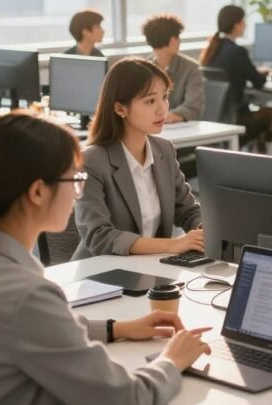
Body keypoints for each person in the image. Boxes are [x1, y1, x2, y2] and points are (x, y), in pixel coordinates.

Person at [0, 113, 210, 405]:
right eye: (74, 179)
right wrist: (171, 360)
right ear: (38, 191)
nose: (77, 192)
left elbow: (28, 331)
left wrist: (116, 328)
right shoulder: (25, 296)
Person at [71, 58, 203, 259]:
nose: (162, 109)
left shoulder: (164, 150)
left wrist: (204, 231)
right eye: (150, 101)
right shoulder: (90, 161)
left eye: (165, 97)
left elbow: (187, 210)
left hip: (151, 268)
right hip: (101, 275)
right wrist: (173, 245)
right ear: (120, 109)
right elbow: (98, 235)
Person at [200, 5, 272, 151]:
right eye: (244, 22)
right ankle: (266, 157)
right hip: (236, 118)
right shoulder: (238, 51)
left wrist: (252, 71)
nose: (245, 25)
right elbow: (258, 82)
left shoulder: (212, 49)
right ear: (237, 25)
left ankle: (254, 155)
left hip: (217, 116)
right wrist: (264, 73)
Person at [142, 13, 204, 123]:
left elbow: (193, 108)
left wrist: (167, 117)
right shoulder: (142, 69)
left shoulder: (191, 69)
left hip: (180, 129)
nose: (180, 41)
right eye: (177, 37)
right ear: (171, 40)